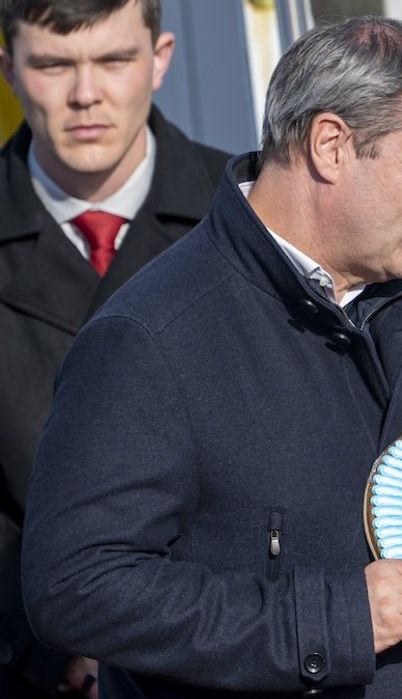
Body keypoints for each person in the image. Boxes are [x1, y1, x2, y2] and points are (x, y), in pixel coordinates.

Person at [20, 16, 402, 698]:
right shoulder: (151, 337)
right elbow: (77, 583)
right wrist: (330, 622)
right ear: (330, 146)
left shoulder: (400, 311)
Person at [0, 0, 228, 696]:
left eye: (113, 60)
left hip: (240, 650)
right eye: (53, 64)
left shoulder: (253, 217)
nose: (85, 94)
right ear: (8, 71)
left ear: (159, 60)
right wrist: (55, 644)